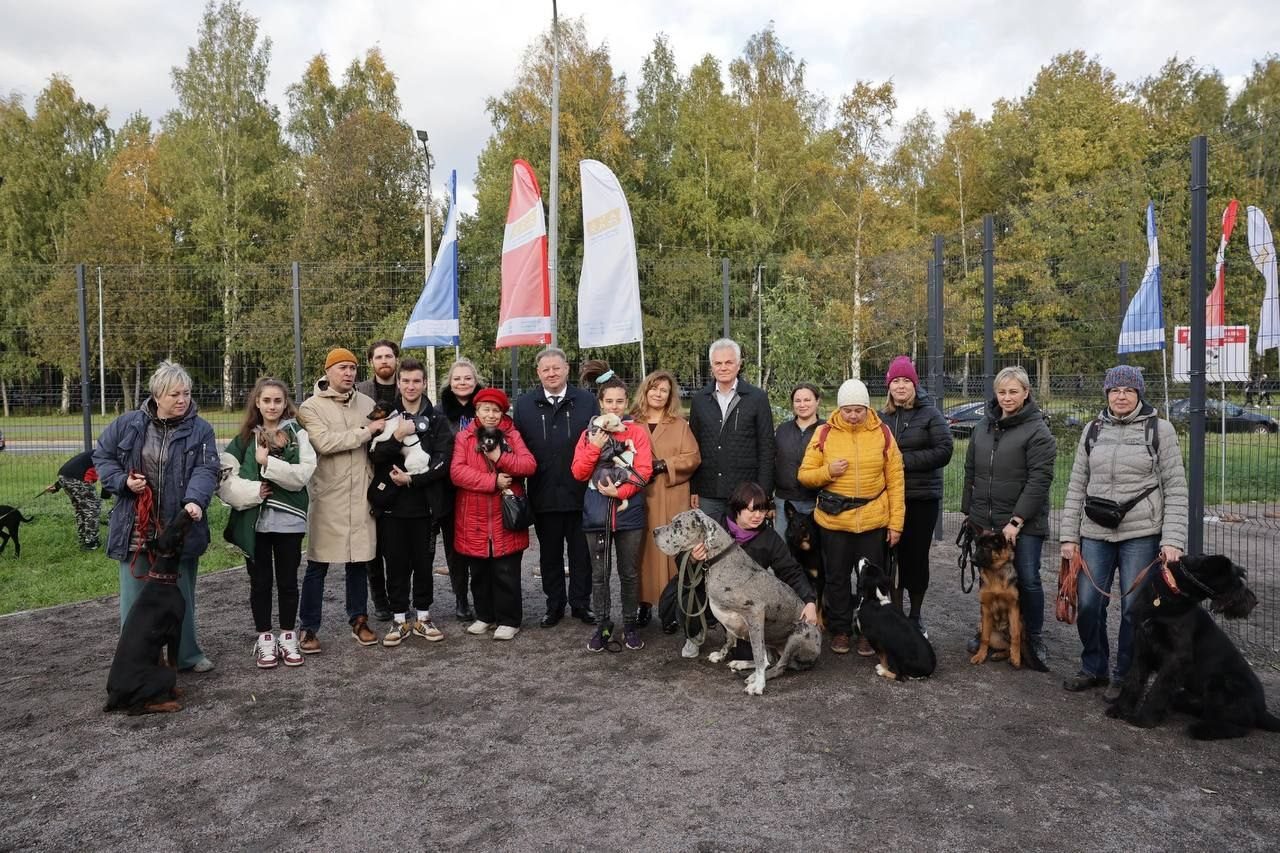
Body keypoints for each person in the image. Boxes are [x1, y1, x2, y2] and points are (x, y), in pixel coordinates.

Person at [1060, 365, 1187, 698]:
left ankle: (1125, 675)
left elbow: (1175, 486)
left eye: (1128, 390)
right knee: (1087, 603)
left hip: (1141, 532)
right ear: (1106, 393)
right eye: (1115, 390)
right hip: (1095, 532)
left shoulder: (1160, 430)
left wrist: (1172, 539)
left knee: (1134, 607)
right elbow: (1076, 485)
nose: (1121, 396)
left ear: (1139, 394)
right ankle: (1093, 667)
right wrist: (1069, 537)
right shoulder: (1092, 430)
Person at [93, 360, 220, 672]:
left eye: (186, 393)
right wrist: (123, 481)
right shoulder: (128, 424)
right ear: (157, 395)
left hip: (178, 530)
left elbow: (207, 469)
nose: (182, 400)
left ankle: (187, 655)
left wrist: (195, 501)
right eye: (175, 394)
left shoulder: (201, 430)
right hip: (136, 527)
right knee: (135, 602)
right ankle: (137, 661)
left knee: (181, 596)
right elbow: (102, 455)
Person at [798, 379, 904, 656]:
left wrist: (896, 524)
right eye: (848, 410)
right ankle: (842, 629)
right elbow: (805, 475)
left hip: (873, 519)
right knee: (836, 578)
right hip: (835, 521)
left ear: (867, 408)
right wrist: (828, 472)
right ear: (840, 408)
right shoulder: (824, 433)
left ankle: (868, 633)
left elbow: (895, 479)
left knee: (872, 581)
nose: (853, 415)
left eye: (859, 409)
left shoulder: (883, 433)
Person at [218, 378, 316, 668]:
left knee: (287, 582)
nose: (272, 406)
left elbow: (302, 475)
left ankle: (287, 635)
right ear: (257, 404)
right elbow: (225, 479)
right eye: (266, 401)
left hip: (289, 521)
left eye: (278, 401)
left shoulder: (299, 434)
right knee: (259, 583)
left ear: (285, 404)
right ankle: (264, 638)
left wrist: (267, 464)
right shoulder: (243, 439)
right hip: (255, 522)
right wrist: (253, 491)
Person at [962, 365, 1057, 664]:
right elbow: (970, 470)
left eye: (1013, 391)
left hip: (1023, 523)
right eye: (1002, 392)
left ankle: (1034, 636)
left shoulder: (1037, 430)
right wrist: (969, 512)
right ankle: (987, 631)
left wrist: (1017, 520)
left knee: (1027, 578)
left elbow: (1039, 479)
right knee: (987, 578)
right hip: (986, 519)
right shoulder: (983, 426)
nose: (1007, 397)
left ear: (1026, 393)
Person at [295, 347, 387, 653]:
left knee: (358, 561)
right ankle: (308, 627)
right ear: (327, 371)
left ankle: (359, 620)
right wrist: (366, 430)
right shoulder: (310, 408)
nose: (348, 373)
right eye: (342, 368)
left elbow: (380, 441)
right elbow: (324, 442)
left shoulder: (368, 403)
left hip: (362, 494)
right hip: (328, 497)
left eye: (352, 368)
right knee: (317, 564)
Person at [368, 358, 456, 648]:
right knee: (394, 563)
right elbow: (376, 455)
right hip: (392, 507)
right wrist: (396, 436)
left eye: (416, 381)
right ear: (399, 383)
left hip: (426, 505)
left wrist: (414, 480)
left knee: (423, 562)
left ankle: (423, 616)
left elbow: (444, 462)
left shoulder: (437, 419)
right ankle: (398, 618)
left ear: (424, 383)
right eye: (405, 381)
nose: (410, 386)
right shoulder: (387, 416)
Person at [512, 347, 599, 627]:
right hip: (543, 494)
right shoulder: (524, 405)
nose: (551, 373)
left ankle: (581, 604)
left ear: (567, 369)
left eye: (556, 368)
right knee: (549, 555)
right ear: (538, 373)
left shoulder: (587, 402)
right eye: (545, 369)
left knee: (581, 555)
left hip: (581, 493)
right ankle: (554, 605)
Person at [571, 363, 654, 652]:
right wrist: (594, 446)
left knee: (629, 572)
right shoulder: (589, 433)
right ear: (600, 402)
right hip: (597, 512)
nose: (615, 407)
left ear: (626, 402)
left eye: (620, 401)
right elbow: (579, 473)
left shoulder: (638, 433)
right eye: (609, 401)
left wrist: (619, 491)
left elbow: (643, 472)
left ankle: (629, 624)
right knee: (599, 573)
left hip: (628, 513)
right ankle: (603, 626)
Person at [685, 481, 820, 657]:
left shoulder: (769, 538)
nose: (759, 516)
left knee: (745, 655)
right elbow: (682, 551)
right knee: (683, 594)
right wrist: (692, 558)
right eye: (752, 510)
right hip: (709, 589)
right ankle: (695, 632)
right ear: (738, 508)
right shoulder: (714, 524)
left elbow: (790, 570)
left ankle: (734, 635)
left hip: (743, 599)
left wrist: (809, 601)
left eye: (763, 510)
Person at [450, 387, 537, 640]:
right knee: (478, 571)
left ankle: (509, 619)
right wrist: (492, 481)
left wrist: (501, 457)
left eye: (496, 410)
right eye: (485, 409)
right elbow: (457, 472)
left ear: (503, 412)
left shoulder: (512, 436)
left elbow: (529, 465)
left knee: (506, 571)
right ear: (476, 411)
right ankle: (485, 615)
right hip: (474, 514)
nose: (490, 414)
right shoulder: (464, 438)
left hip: (505, 514)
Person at [880, 357, 953, 637]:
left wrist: (902, 461)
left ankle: (916, 615)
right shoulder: (882, 416)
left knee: (915, 558)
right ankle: (896, 613)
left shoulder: (930, 414)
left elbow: (945, 449)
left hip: (921, 499)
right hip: (888, 499)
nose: (900, 386)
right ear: (889, 386)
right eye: (895, 381)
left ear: (914, 384)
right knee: (890, 557)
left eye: (905, 381)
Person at [630, 370, 700, 630]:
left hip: (672, 496)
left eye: (664, 390)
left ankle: (670, 609)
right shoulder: (631, 422)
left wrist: (664, 465)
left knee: (672, 553)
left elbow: (693, 457)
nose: (658, 394)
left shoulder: (679, 424)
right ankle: (643, 605)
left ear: (670, 396)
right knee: (641, 553)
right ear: (645, 391)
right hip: (641, 496)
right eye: (654, 388)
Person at [689, 338, 776, 522]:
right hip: (708, 491)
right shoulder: (700, 400)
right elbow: (693, 448)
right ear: (712, 366)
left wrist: (764, 492)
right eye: (718, 363)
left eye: (728, 362)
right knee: (711, 546)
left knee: (746, 545)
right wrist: (694, 488)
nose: (723, 367)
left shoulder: (757, 398)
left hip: (746, 491)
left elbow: (767, 447)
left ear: (738, 365)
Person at [434, 357, 484, 619]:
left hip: (480, 487)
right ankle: (461, 599)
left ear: (475, 381)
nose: (463, 382)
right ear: (450, 383)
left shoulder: (486, 407)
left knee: (479, 543)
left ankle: (484, 597)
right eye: (457, 378)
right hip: (448, 488)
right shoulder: (439, 412)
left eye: (467, 378)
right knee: (454, 547)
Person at [356, 339, 400, 621]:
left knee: (396, 543)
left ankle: (399, 598)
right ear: (371, 362)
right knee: (371, 543)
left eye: (388, 356)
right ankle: (380, 601)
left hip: (399, 473)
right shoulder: (359, 392)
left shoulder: (406, 388)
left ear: (396, 359)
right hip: (368, 471)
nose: (384, 361)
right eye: (378, 357)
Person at [773, 383, 821, 540]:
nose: (802, 405)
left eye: (807, 400)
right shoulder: (782, 430)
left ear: (817, 401)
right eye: (797, 401)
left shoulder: (827, 430)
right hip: (784, 502)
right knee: (782, 550)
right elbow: (772, 461)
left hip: (815, 503)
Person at [43, 449, 106, 550]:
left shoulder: (101, 451)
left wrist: (58, 485)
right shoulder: (111, 455)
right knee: (92, 508)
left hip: (65, 476)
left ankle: (84, 539)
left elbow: (74, 469)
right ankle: (91, 543)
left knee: (81, 509)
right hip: (78, 478)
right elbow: (108, 477)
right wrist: (106, 495)